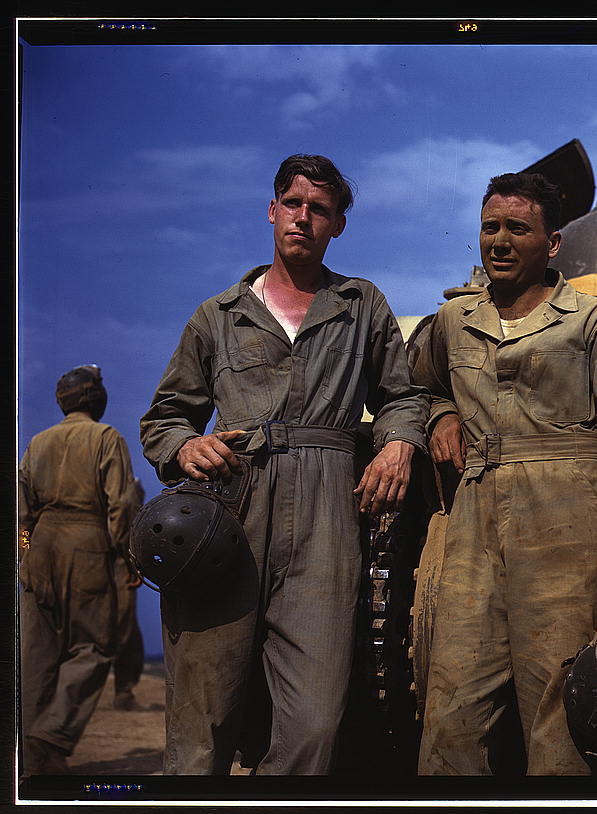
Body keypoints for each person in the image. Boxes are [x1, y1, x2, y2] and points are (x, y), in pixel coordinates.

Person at [139, 154, 427, 775]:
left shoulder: (362, 305)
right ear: (272, 213)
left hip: (327, 515)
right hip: (226, 513)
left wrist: (401, 442)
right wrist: (186, 447)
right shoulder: (218, 316)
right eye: (292, 205)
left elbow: (402, 396)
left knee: (314, 724)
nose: (303, 219)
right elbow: (165, 418)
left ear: (338, 226)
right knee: (201, 721)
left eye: (319, 210)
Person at [413, 172, 597, 775]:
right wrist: (442, 412)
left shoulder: (592, 321)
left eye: (517, 229)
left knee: (558, 713)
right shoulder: (454, 320)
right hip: (476, 519)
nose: (499, 240)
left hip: (565, 517)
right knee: (452, 710)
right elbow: (416, 383)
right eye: (490, 227)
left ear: (552, 244)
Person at [18, 364, 140, 774]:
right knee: (94, 647)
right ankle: (51, 734)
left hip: (40, 545)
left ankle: (33, 757)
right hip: (87, 542)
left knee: (36, 654)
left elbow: (21, 517)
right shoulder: (106, 438)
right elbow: (120, 505)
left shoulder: (37, 442)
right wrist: (126, 556)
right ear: (95, 398)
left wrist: (26, 554)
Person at [111, 477, 147, 711]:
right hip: (116, 563)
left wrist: (26, 555)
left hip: (64, 558)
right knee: (122, 629)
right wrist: (132, 562)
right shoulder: (126, 483)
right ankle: (123, 690)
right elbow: (126, 508)